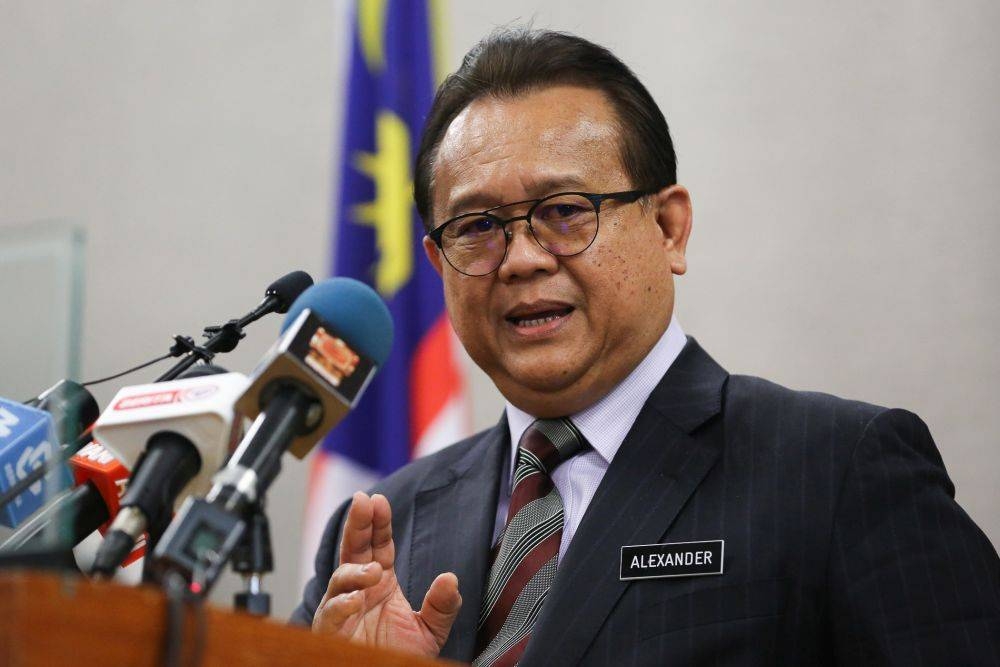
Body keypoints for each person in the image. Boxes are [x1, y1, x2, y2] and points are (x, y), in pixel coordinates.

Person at [292, 28, 1000, 665]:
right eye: (478, 225)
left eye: (564, 212)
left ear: (668, 228)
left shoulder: (837, 471)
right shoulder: (384, 525)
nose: (521, 259)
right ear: (438, 261)